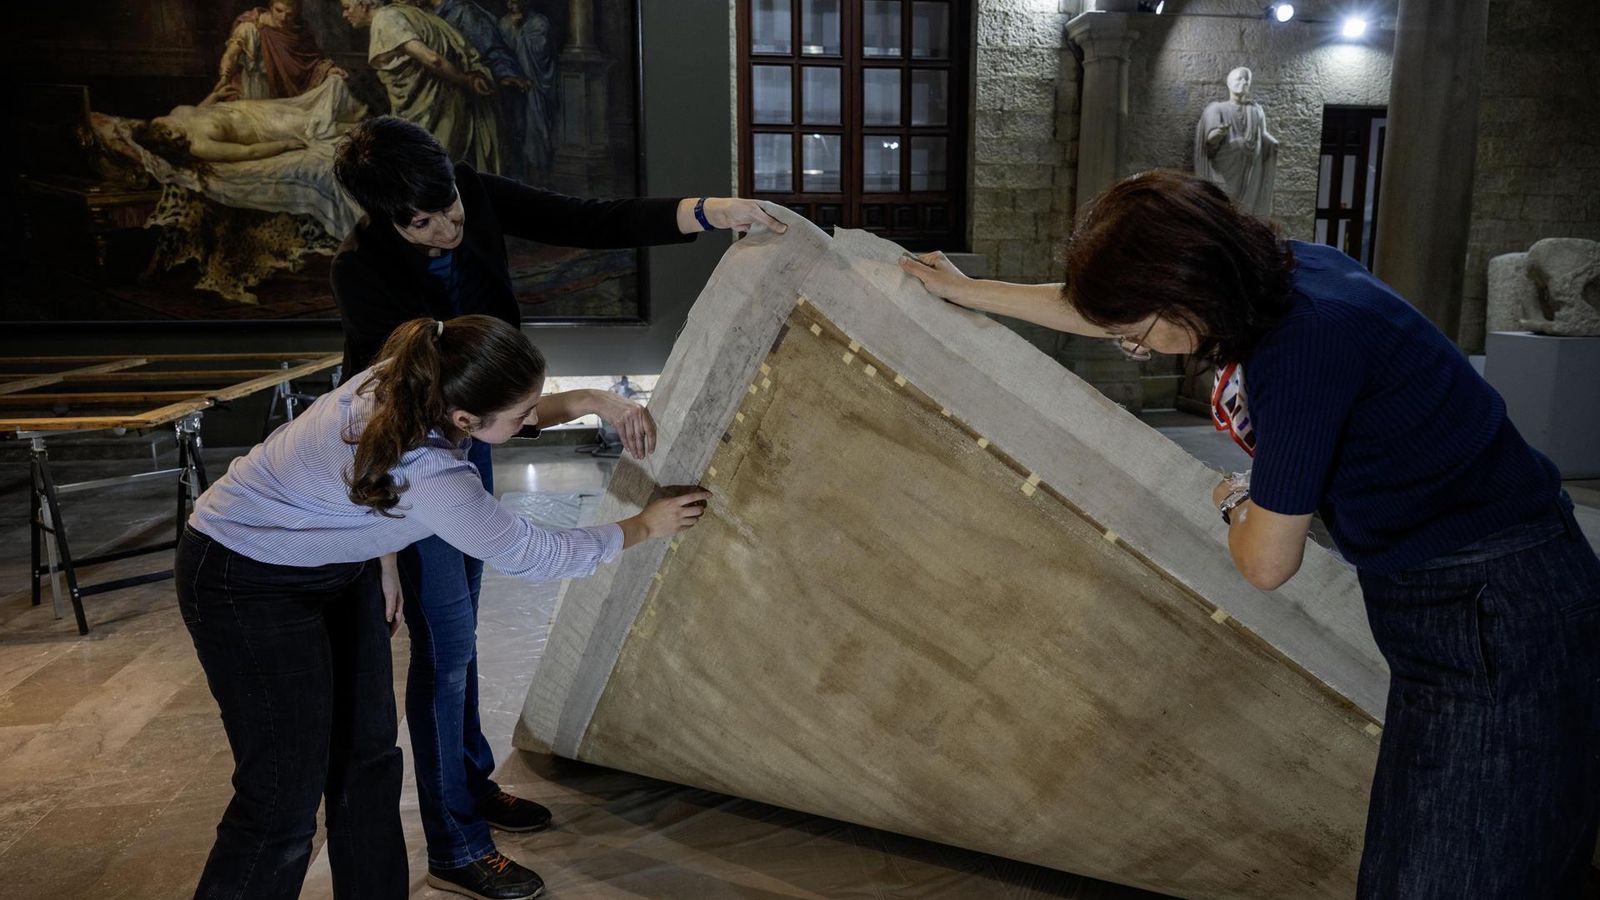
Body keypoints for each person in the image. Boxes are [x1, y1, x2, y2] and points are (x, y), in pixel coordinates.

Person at [901, 169, 1600, 898]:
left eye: (1137, 337)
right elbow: (1105, 310)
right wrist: (967, 289)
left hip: (1497, 609)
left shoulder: (1304, 346)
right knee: (1434, 862)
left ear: (1185, 293)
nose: (1135, 350)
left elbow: (1268, 560)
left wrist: (1235, 501)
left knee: (1462, 874)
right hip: (1469, 596)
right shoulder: (1283, 269)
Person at [329, 115, 784, 900]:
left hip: (473, 429)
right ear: (384, 220)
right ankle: (456, 847)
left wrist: (715, 211)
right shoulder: (362, 270)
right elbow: (380, 416)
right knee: (444, 655)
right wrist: (381, 548)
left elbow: (591, 220)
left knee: (460, 637)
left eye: (450, 208)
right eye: (425, 222)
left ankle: (470, 788)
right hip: (419, 458)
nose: (448, 227)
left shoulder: (469, 193)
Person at [177, 314, 709, 900]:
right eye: (523, 415)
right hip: (243, 573)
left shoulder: (416, 376)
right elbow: (532, 554)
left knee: (370, 761)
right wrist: (644, 525)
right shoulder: (431, 472)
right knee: (283, 795)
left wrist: (378, 555)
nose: (534, 419)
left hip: (327, 559)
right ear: (462, 419)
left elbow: (348, 481)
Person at [340, 0, 502, 172]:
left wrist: (466, 80)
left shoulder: (386, 19)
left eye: (347, 8)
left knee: (430, 166)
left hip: (433, 109)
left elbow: (432, 59)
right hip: (434, 105)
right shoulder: (401, 13)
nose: (344, 14)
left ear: (364, 4)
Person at [212, 0, 345, 102]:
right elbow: (231, 56)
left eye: (289, 14)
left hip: (287, 94)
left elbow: (310, 61)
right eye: (279, 11)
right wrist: (224, 77)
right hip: (255, 90)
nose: (283, 18)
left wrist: (327, 71)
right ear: (271, 6)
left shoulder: (298, 31)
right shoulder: (251, 27)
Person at [1194, 67, 1278, 218]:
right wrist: (1219, 133)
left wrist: (1273, 144)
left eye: (1247, 79)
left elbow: (1263, 134)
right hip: (1224, 169)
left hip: (1251, 169)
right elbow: (1209, 141)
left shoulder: (1256, 109)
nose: (1244, 81)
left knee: (1246, 211)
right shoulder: (1217, 109)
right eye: (1239, 78)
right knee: (1225, 207)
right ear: (1229, 83)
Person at [500, 0, 559, 183]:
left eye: (517, 1)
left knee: (535, 134)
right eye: (510, 1)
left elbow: (542, 54)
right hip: (511, 89)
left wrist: (519, 32)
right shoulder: (503, 23)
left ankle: (538, 179)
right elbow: (500, 53)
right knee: (512, 131)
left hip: (534, 88)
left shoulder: (539, 23)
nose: (513, 5)